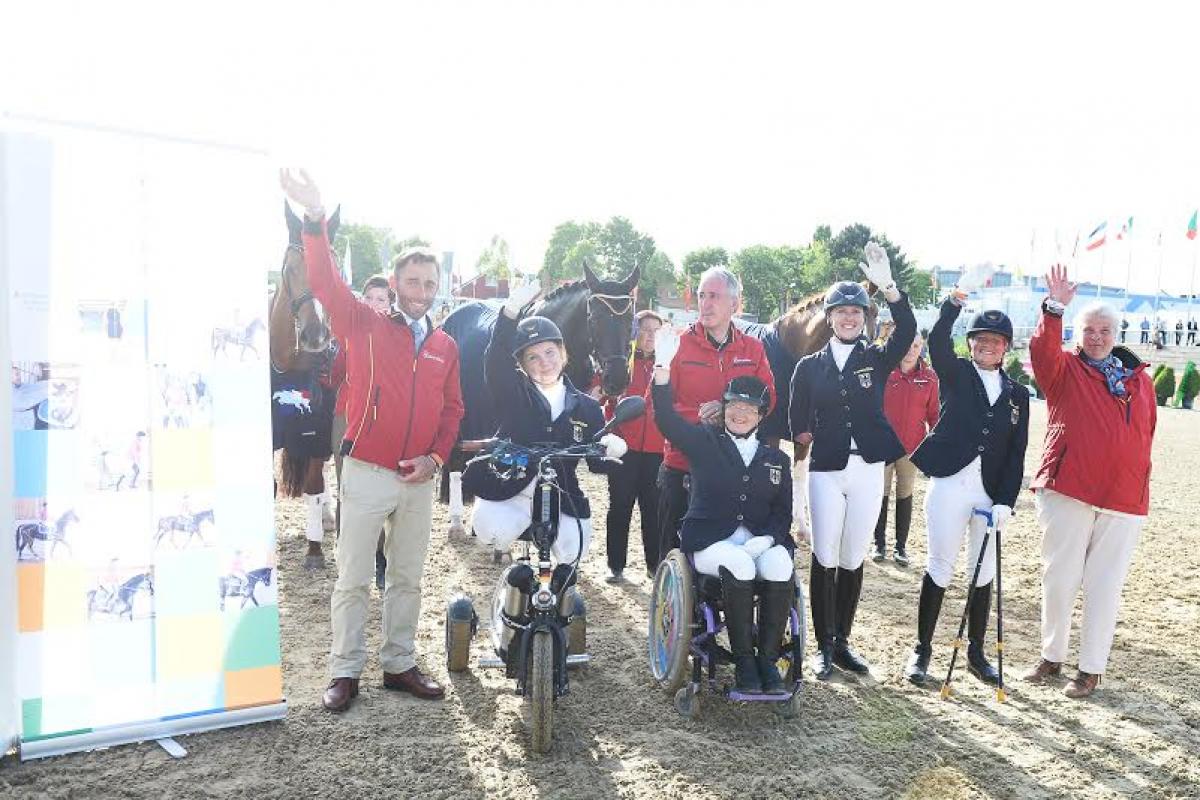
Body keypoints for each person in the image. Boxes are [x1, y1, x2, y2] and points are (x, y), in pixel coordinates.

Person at [281, 169, 465, 712]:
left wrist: (435, 459)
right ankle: (345, 672)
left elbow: (453, 409)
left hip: (417, 480)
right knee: (354, 577)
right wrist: (315, 219)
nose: (421, 292)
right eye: (413, 282)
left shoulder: (446, 345)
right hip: (365, 471)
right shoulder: (361, 321)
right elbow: (325, 280)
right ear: (395, 281)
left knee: (406, 577)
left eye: (430, 284)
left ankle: (399, 663)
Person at [1024, 264, 1156, 699]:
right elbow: (1042, 351)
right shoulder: (1063, 369)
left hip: (1122, 499)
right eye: (1089, 330)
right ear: (1078, 334)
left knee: (1104, 586)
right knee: (1059, 578)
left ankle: (1090, 669)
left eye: (1104, 330)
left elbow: (1146, 433)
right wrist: (1055, 308)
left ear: (1116, 334)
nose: (1097, 336)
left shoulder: (1142, 381)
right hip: (1069, 490)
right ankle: (1051, 655)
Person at [789, 242, 916, 680]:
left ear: (864, 318)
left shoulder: (876, 357)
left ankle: (843, 640)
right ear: (829, 318)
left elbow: (907, 330)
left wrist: (890, 289)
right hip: (826, 469)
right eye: (841, 312)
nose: (848, 319)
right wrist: (805, 432)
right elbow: (796, 416)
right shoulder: (808, 366)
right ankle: (822, 643)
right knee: (824, 554)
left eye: (856, 313)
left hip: (867, 469)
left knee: (853, 555)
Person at [903, 266, 1030, 685]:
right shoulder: (956, 373)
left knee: (984, 572)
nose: (987, 346)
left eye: (995, 341)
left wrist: (1006, 502)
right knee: (940, 565)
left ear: (1005, 347)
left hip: (989, 492)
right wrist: (956, 299)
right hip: (950, 485)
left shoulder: (1016, 394)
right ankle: (922, 650)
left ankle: (976, 652)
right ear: (971, 343)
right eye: (981, 339)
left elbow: (1016, 452)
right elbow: (938, 339)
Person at [650, 340, 795, 693]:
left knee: (780, 565)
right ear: (724, 409)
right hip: (710, 540)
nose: (739, 414)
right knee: (740, 565)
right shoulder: (704, 442)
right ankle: (745, 662)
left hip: (758, 540)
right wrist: (663, 368)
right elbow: (666, 419)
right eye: (733, 406)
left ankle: (768, 661)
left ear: (761, 415)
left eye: (748, 408)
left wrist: (770, 539)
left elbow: (782, 513)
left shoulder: (777, 460)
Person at [465, 281, 626, 575]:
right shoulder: (511, 392)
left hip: (563, 498)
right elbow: (496, 359)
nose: (544, 363)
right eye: (533, 357)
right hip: (510, 492)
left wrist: (610, 447)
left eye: (550, 353)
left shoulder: (588, 408)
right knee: (496, 533)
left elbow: (597, 464)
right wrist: (509, 315)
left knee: (572, 554)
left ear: (564, 354)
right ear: (522, 364)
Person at [657, 267, 775, 566]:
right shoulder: (677, 346)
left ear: (734, 305)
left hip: (735, 471)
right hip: (682, 466)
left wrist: (727, 412)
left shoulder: (754, 348)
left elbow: (769, 399)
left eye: (714, 296)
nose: (705, 304)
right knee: (673, 557)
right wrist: (699, 417)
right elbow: (655, 404)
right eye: (701, 296)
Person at [328, 274, 394, 586]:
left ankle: (382, 558)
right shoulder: (349, 332)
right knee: (348, 489)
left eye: (382, 299)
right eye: (369, 298)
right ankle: (349, 559)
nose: (375, 304)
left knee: (383, 492)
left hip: (387, 423)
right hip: (348, 417)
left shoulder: (401, 336)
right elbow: (334, 375)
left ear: (391, 304)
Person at [604, 310, 665, 581]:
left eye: (656, 331)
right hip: (624, 449)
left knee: (652, 510)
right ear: (634, 333)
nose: (651, 336)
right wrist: (613, 429)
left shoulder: (666, 365)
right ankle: (616, 566)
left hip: (656, 450)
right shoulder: (620, 365)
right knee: (620, 507)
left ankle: (654, 566)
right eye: (645, 329)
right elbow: (604, 401)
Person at [873, 331, 938, 565]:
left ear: (922, 348)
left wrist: (933, 448)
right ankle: (878, 544)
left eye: (917, 345)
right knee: (881, 494)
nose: (911, 350)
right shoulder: (884, 373)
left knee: (905, 495)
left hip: (911, 449)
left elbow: (934, 416)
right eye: (908, 345)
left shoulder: (929, 378)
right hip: (882, 447)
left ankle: (901, 547)